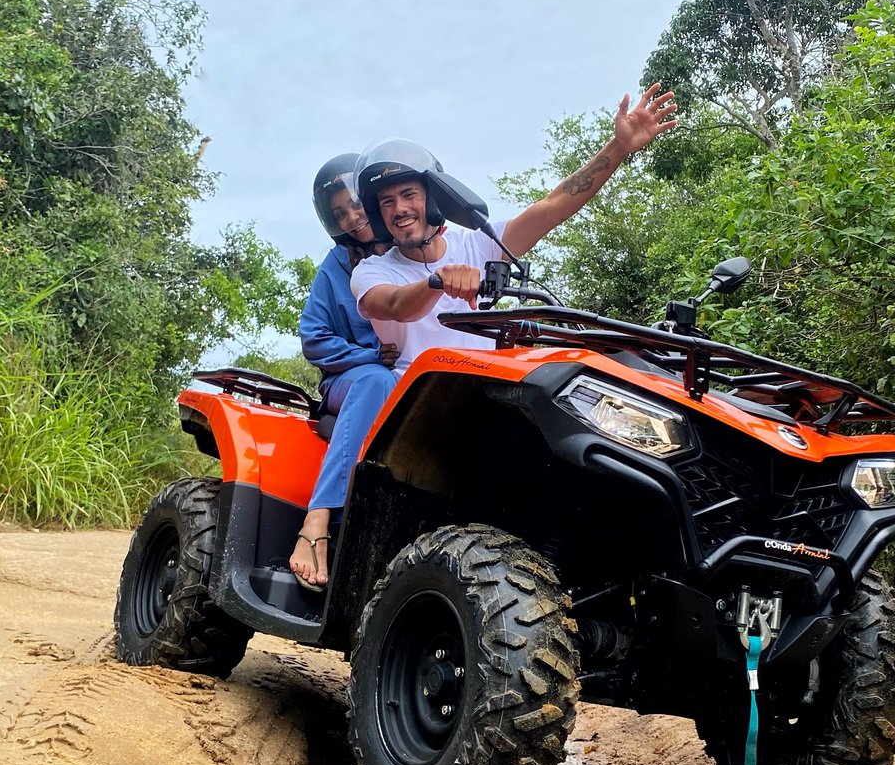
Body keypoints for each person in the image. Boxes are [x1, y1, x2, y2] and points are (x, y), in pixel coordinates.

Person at [350, 83, 677, 372]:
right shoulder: (373, 272)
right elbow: (393, 304)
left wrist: (617, 147)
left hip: (486, 391)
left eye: (409, 195)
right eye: (387, 202)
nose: (400, 209)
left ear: (433, 201)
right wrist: (437, 282)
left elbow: (552, 208)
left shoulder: (480, 243)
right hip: (415, 402)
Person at [289, 155, 399, 591]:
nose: (353, 218)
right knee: (378, 380)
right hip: (349, 381)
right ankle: (316, 521)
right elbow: (313, 338)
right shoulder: (335, 267)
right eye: (340, 214)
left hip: (414, 379)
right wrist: (370, 353)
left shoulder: (409, 250)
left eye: (356, 205)